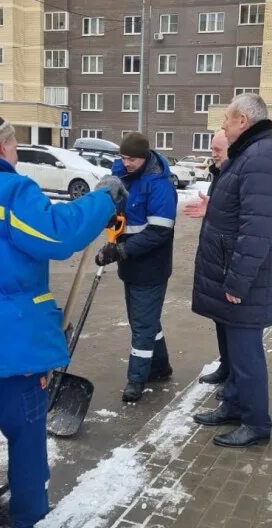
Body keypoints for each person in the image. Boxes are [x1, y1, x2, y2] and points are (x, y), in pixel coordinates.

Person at [0, 110, 126, 527]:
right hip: (11, 355)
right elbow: (58, 234)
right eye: (13, 143)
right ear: (3, 146)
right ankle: (31, 519)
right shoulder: (10, 190)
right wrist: (104, 197)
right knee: (27, 452)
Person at [190, 93, 272, 448]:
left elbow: (257, 230)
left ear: (243, 121)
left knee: (247, 356)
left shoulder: (260, 158)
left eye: (226, 119)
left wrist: (237, 282)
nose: (223, 125)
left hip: (246, 283)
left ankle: (256, 423)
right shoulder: (249, 155)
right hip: (233, 274)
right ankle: (233, 406)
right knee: (234, 353)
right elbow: (239, 211)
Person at [95, 132, 177, 403]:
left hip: (151, 266)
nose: (126, 163)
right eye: (123, 157)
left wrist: (121, 250)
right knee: (145, 319)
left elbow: (159, 232)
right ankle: (160, 366)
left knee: (142, 325)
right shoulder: (122, 175)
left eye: (132, 159)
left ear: (145, 157)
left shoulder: (159, 185)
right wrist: (110, 221)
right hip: (130, 264)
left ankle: (137, 379)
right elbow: (122, 215)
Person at [184, 130, 230, 387]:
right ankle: (226, 366)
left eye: (217, 150)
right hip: (215, 258)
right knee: (220, 318)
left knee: (232, 323)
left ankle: (234, 375)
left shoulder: (237, 176)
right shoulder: (220, 174)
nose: (212, 154)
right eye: (212, 149)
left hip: (229, 262)